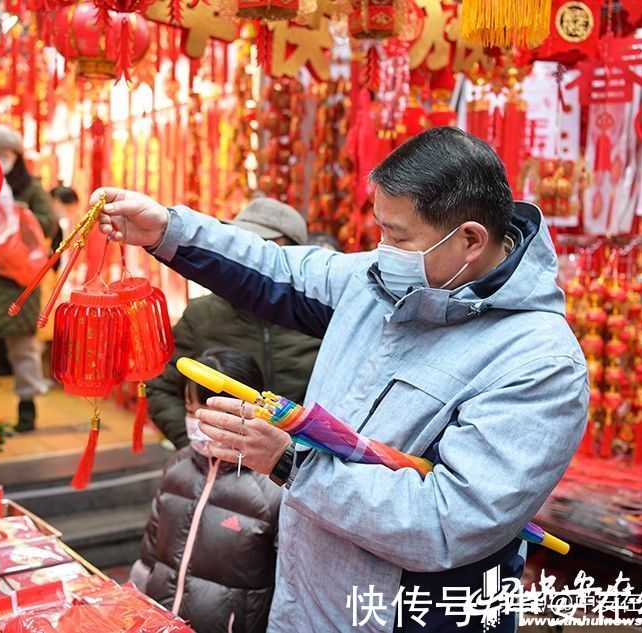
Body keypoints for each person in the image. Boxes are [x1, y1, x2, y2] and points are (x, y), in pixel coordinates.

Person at [92, 127, 589, 632]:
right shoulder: (378, 283)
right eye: (380, 230)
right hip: (304, 603)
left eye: (398, 236)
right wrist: (168, 230)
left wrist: (290, 463)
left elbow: (450, 521)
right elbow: (277, 268)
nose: (382, 248)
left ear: (469, 240)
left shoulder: (538, 362)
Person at [146, 198, 322, 449]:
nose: (251, 258)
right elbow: (161, 389)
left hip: (302, 468)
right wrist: (198, 445)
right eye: (243, 245)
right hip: (222, 465)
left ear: (293, 255)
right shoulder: (202, 315)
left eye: (262, 247)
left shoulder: (317, 318)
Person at [131, 347, 281, 633]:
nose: (199, 422)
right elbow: (151, 548)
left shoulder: (271, 489)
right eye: (190, 411)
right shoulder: (178, 465)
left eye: (213, 414)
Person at [0, 124, 59, 432]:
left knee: (23, 348)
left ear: (17, 157)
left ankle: (27, 405)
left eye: (6, 154)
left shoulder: (30, 187)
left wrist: (18, 216)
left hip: (17, 279)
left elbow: (49, 224)